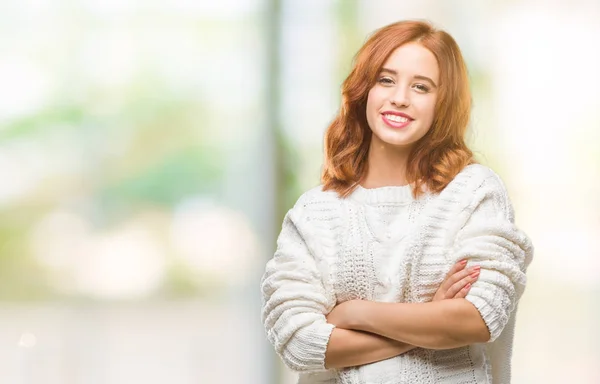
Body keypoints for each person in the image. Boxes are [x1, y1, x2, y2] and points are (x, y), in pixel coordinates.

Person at [261, 19, 534, 384]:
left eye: (421, 87)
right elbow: (298, 343)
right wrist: (432, 317)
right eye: (385, 80)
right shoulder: (315, 212)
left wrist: (351, 314)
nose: (400, 97)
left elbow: (481, 317)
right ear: (364, 91)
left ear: (443, 103)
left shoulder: (473, 193)